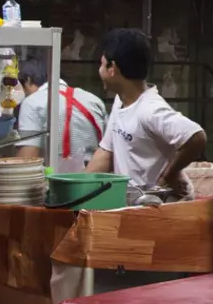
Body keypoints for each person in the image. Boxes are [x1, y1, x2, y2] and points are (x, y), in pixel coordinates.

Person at [85, 28, 206, 198]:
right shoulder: (121, 101)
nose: (99, 70)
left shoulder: (149, 110)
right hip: (136, 203)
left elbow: (196, 136)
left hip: (162, 209)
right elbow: (106, 152)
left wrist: (167, 177)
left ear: (112, 68)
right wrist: (78, 191)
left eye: (102, 63)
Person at [14, 58, 107, 173]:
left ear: (28, 80)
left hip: (55, 182)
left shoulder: (31, 102)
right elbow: (107, 150)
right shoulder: (94, 100)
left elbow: (27, 159)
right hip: (94, 181)